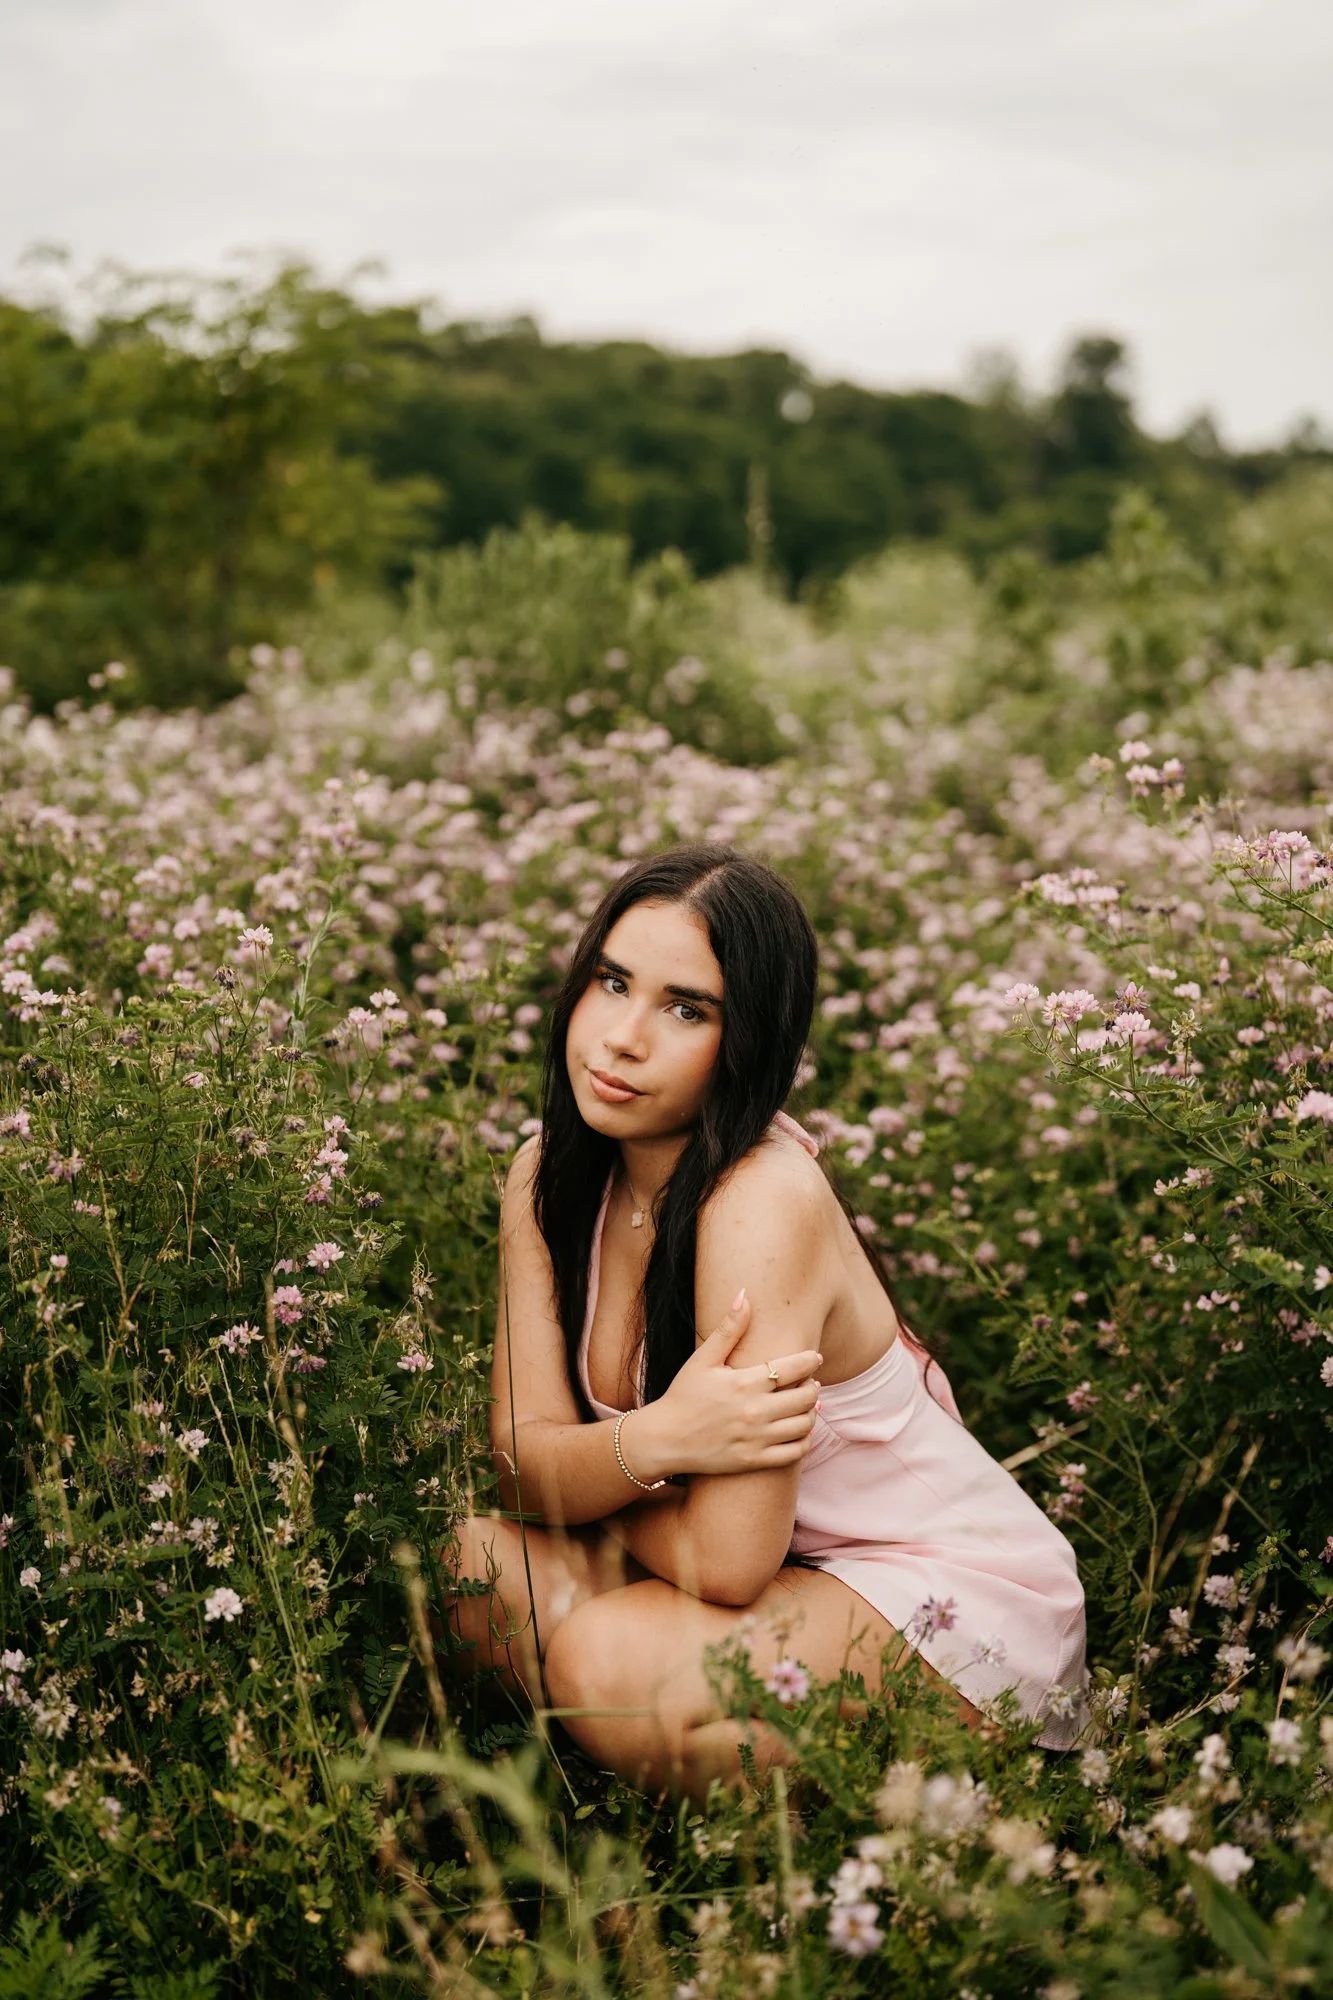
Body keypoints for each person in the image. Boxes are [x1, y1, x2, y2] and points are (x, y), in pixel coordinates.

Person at [443, 845, 1087, 1805]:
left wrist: (586, 1470)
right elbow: (512, 1467)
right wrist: (658, 1439)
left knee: (605, 1663)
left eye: (684, 1008)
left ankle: (948, 1803)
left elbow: (729, 1558)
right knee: (475, 1568)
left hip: (930, 1594)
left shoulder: (758, 1203)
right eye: (612, 981)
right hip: (767, 1566)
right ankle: (657, 1773)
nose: (621, 1037)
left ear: (747, 1041)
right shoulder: (547, 1178)